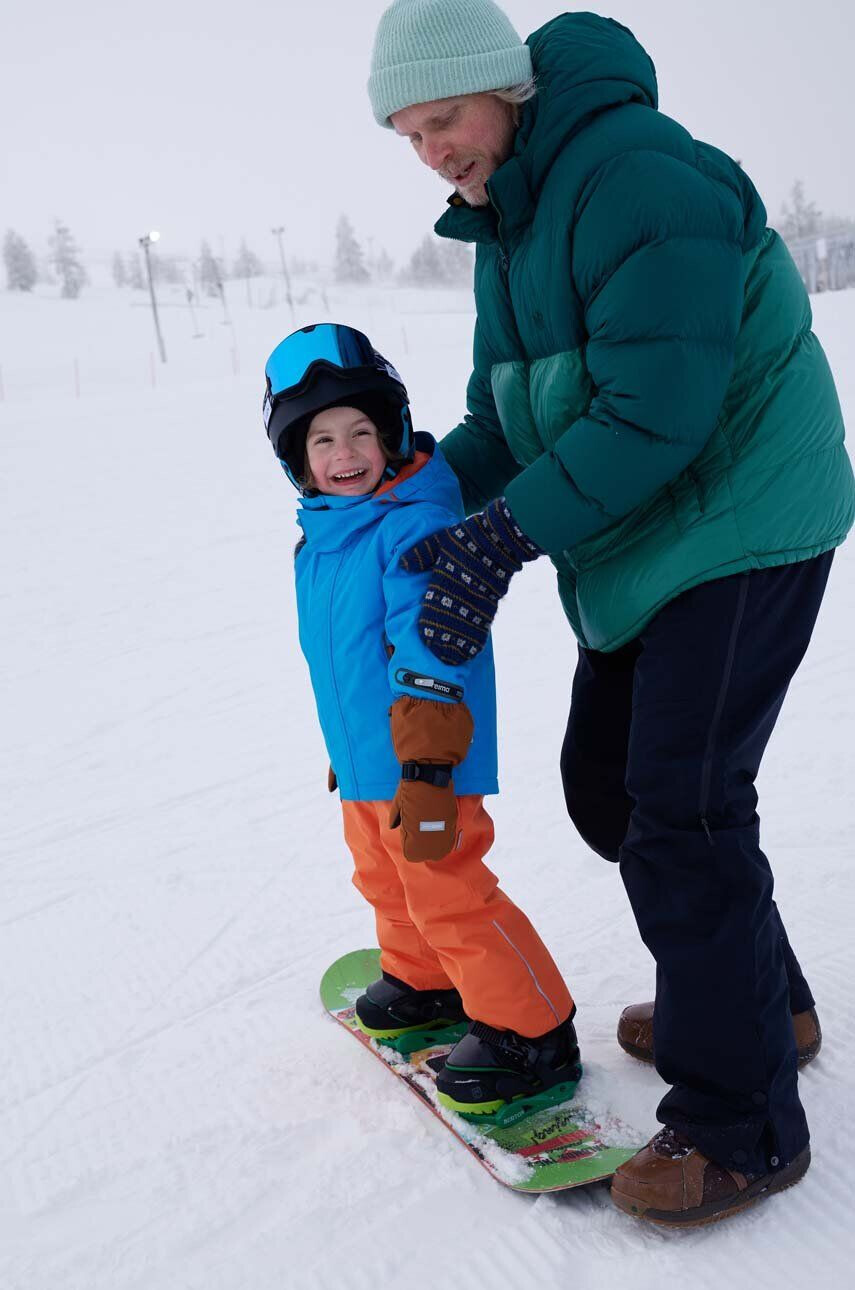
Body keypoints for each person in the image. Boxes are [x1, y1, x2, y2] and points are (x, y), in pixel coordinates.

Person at [367, 0, 855, 1225]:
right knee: (611, 791)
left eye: (446, 119)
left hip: (743, 520)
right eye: (408, 134)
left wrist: (504, 539)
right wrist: (415, 495)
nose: (433, 150)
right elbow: (508, 414)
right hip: (649, 530)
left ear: (507, 93)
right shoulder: (505, 226)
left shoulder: (637, 178)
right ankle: (763, 1006)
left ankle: (740, 1121)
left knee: (679, 808)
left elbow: (653, 411)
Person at [263, 321, 580, 1119]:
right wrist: (353, 752)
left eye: (360, 432)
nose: (344, 454)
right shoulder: (326, 536)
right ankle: (425, 980)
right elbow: (342, 664)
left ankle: (531, 1029)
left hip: (427, 756)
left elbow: (436, 650)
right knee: (383, 876)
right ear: (295, 459)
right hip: (371, 763)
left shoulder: (409, 524)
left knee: (448, 887)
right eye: (322, 439)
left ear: (391, 430)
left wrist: (429, 764)